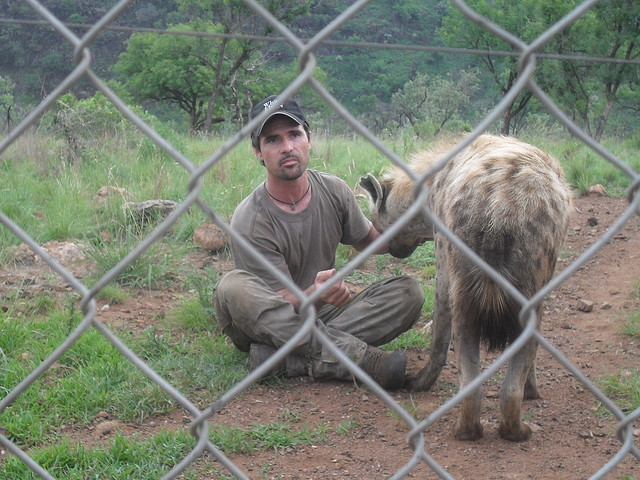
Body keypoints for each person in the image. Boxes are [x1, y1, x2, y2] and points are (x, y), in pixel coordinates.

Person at [213, 95, 424, 390]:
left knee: (409, 292)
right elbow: (279, 304)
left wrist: (412, 228)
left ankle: (291, 361)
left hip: (322, 312)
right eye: (272, 140)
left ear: (309, 139)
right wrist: (316, 291)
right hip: (272, 320)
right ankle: (364, 360)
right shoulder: (249, 219)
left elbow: (371, 241)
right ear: (258, 152)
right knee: (233, 287)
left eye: (294, 134)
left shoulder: (333, 190)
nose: (287, 147)